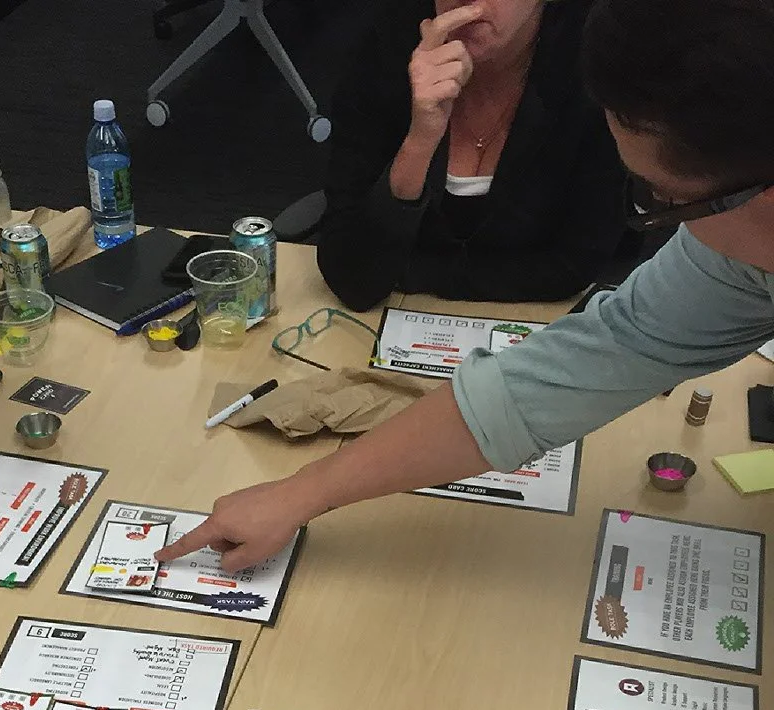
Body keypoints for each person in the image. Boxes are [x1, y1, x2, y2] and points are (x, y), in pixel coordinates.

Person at [157, 0, 774, 576]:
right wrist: (300, 494)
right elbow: (585, 362)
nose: (671, 227)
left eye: (661, 196)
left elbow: (571, 280)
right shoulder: (736, 258)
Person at [318, 0, 629, 311]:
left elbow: (573, 267)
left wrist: (411, 273)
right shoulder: (387, 46)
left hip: (542, 320)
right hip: (390, 318)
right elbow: (352, 277)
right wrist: (421, 140)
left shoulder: (595, 61)